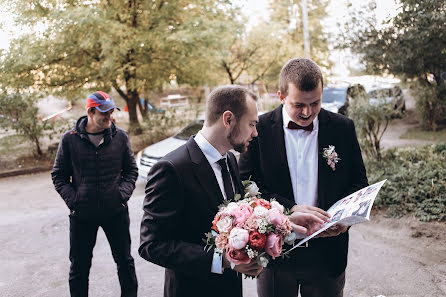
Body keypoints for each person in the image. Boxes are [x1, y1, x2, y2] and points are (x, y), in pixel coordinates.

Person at [138, 85, 323, 297]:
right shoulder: (171, 169)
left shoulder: (230, 160)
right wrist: (223, 260)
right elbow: (152, 245)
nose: (255, 132)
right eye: (252, 124)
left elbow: (242, 219)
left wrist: (286, 220)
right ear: (228, 119)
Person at [239, 58, 369, 297]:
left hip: (328, 255)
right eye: (299, 104)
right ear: (281, 96)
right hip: (275, 252)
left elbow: (359, 183)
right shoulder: (260, 130)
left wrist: (345, 218)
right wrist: (289, 209)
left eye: (315, 103)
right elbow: (247, 187)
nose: (308, 112)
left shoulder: (342, 127)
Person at [51, 91, 138, 297]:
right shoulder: (69, 140)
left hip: (115, 212)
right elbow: (59, 175)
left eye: (111, 111)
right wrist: (74, 201)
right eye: (104, 112)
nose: (109, 116)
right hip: (82, 216)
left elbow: (131, 171)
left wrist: (121, 195)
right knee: (79, 268)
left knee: (125, 263)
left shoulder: (120, 137)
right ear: (90, 112)